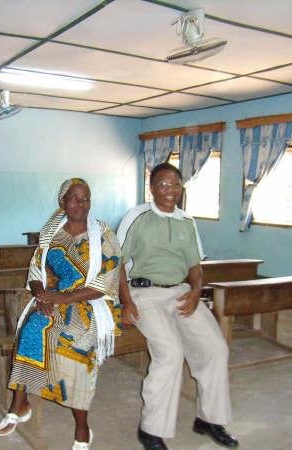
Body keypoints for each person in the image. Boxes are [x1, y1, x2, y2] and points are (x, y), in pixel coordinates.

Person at [0, 178, 121, 450]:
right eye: (75, 198)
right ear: (63, 202)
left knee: (76, 343)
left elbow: (106, 282)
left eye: (86, 198)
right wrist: (41, 295)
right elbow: (36, 270)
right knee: (32, 329)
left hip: (92, 302)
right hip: (54, 297)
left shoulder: (103, 233)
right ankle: (20, 403)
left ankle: (82, 426)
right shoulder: (52, 232)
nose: (81, 203)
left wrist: (63, 298)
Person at [117, 162, 238, 449]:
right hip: (144, 293)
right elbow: (116, 262)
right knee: (170, 353)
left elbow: (195, 264)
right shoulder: (137, 216)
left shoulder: (187, 221)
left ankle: (209, 419)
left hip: (181, 292)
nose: (169, 190)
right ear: (152, 188)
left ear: (181, 188)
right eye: (162, 184)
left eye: (174, 184)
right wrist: (126, 300)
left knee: (215, 348)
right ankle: (151, 429)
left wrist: (196, 290)